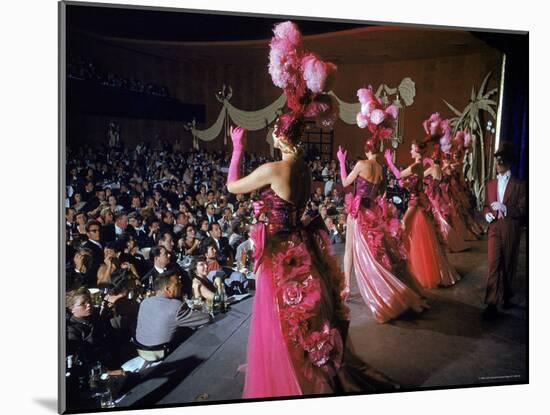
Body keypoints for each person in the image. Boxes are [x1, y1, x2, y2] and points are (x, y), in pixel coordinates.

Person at [337, 137, 427, 323]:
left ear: (366, 149)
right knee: (375, 251)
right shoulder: (380, 169)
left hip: (358, 211)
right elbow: (381, 191)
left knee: (350, 250)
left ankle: (347, 286)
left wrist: (341, 161)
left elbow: (345, 182)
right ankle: (354, 285)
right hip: (371, 211)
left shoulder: (362, 164)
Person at [385, 140, 461, 289]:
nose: (410, 151)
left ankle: (405, 266)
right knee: (418, 234)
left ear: (417, 152)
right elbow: (412, 182)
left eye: (412, 149)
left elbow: (399, 175)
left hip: (415, 202)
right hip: (418, 200)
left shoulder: (416, 165)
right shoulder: (419, 166)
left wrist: (389, 161)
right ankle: (412, 266)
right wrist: (407, 184)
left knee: (403, 228)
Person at [482, 142, 526, 319]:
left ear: (509, 162)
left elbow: (523, 210)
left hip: (510, 227)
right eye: (497, 160)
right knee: (493, 265)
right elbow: (486, 206)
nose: (498, 163)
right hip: (494, 228)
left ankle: (506, 296)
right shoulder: (491, 184)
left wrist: (506, 208)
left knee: (508, 265)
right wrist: (487, 214)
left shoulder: (519, 185)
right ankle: (491, 303)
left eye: (502, 160)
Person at [135, 272, 211, 352]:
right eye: (177, 284)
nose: (181, 285)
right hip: (165, 352)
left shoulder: (145, 302)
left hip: (142, 350)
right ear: (168, 289)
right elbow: (206, 318)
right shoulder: (175, 306)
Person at [424, 149, 470, 253]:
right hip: (439, 196)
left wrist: (426, 183)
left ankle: (447, 243)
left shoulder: (433, 169)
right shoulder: (440, 169)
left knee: (440, 218)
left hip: (434, 196)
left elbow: (421, 176)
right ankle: (449, 242)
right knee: (442, 217)